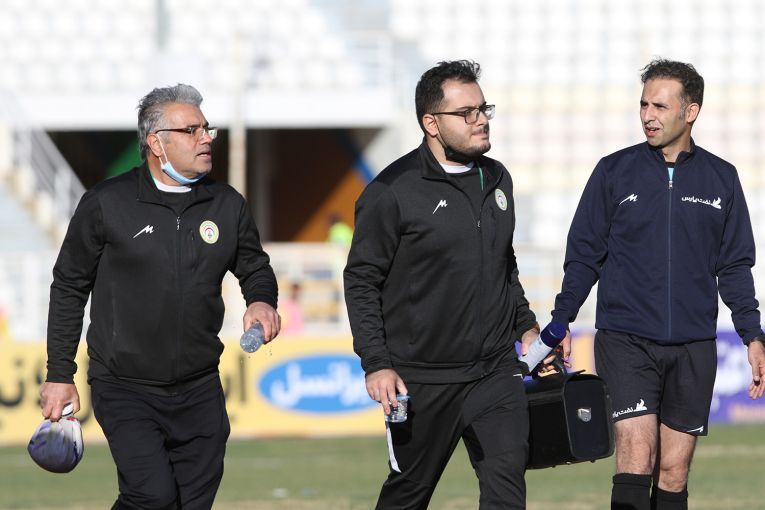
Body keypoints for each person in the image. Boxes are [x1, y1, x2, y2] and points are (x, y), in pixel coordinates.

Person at [39, 84, 280, 509]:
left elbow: (255, 268)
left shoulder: (226, 205)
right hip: (124, 386)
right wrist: (60, 373)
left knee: (191, 504)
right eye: (191, 130)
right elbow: (69, 287)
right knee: (151, 497)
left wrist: (261, 300)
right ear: (156, 143)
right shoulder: (106, 203)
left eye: (206, 128)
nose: (205, 138)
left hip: (200, 386)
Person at [551, 59, 765, 510]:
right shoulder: (613, 171)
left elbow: (734, 266)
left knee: (673, 470)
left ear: (691, 112)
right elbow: (584, 255)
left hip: (693, 346)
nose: (648, 115)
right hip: (626, 339)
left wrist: (752, 334)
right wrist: (562, 318)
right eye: (643, 104)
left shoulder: (722, 178)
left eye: (660, 106)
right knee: (636, 453)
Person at [344, 60, 541, 509]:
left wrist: (525, 326)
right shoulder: (391, 191)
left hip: (495, 372)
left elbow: (503, 264)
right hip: (422, 380)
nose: (481, 119)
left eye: (483, 109)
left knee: (507, 490)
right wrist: (377, 363)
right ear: (431, 123)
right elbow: (361, 281)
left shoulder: (498, 178)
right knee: (407, 496)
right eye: (466, 112)